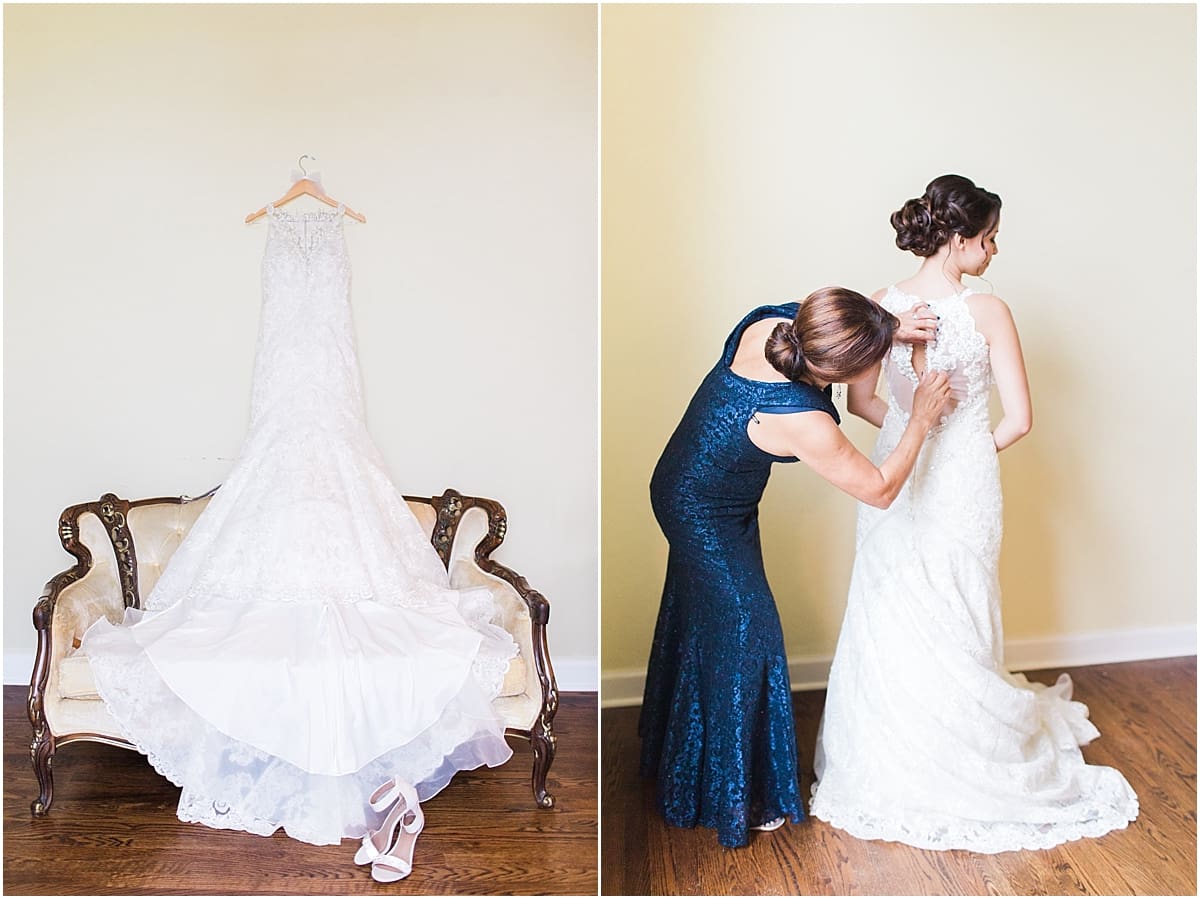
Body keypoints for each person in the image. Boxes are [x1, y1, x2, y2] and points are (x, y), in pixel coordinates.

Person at [81, 187, 517, 882]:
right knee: (243, 605)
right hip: (281, 395)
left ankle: (385, 799)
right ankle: (389, 807)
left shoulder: (334, 225)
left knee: (373, 604)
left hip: (334, 396)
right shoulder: (279, 227)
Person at [808, 174, 1139, 852]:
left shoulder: (880, 305)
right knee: (955, 605)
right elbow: (1018, 420)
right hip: (962, 480)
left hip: (898, 464)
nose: (993, 252)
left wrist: (914, 430)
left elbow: (861, 402)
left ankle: (897, 752)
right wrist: (958, 447)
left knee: (894, 600)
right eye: (989, 239)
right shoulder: (988, 311)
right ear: (958, 240)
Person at [639, 287, 952, 848]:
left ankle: (686, 759)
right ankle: (737, 795)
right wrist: (921, 419)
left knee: (711, 622)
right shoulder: (802, 420)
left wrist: (885, 324)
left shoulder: (776, 324)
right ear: (838, 372)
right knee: (747, 634)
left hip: (695, 485)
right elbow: (880, 489)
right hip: (699, 513)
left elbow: (840, 316)